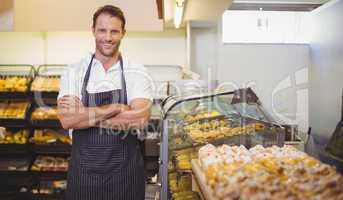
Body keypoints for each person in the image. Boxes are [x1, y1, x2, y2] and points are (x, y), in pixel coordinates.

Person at [57, 5, 152, 200]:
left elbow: (139, 120)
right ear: (93, 30)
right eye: (102, 30)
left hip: (126, 177)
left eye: (114, 31)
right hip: (84, 176)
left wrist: (84, 115)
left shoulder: (137, 71)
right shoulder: (74, 71)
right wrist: (116, 108)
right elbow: (67, 120)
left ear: (123, 33)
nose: (108, 38)